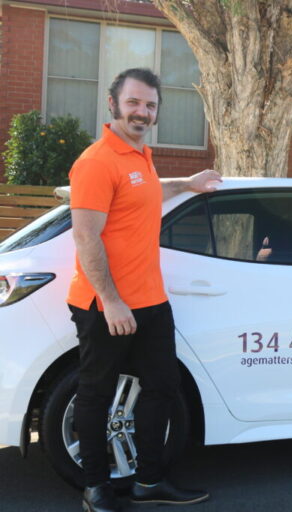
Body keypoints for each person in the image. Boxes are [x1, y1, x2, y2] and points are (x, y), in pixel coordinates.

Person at [67, 68, 221, 512]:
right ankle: (96, 487)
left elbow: (147, 191)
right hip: (105, 304)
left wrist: (187, 184)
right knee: (96, 392)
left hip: (151, 301)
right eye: (134, 102)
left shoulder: (139, 157)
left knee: (163, 386)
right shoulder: (97, 161)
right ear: (112, 104)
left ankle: (149, 481)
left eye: (150, 105)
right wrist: (112, 300)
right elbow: (85, 237)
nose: (142, 111)